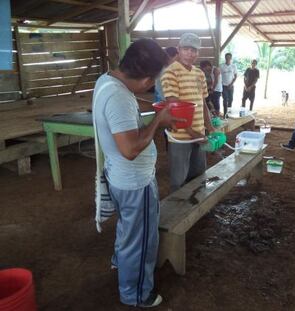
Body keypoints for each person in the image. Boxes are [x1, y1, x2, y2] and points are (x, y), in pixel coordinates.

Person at [93, 39, 180, 308]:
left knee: (128, 230)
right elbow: (130, 149)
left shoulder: (107, 80)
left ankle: (121, 263)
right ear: (144, 80)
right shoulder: (118, 97)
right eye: (153, 80)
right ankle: (137, 294)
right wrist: (159, 121)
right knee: (142, 242)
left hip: (119, 177)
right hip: (133, 183)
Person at [161, 33, 215, 191]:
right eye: (186, 49)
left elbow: (203, 102)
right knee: (179, 180)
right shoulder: (170, 73)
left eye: (194, 50)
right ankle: (180, 215)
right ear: (178, 50)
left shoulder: (199, 73)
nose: (190, 53)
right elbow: (174, 108)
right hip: (181, 137)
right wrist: (193, 134)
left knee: (199, 176)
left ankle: (197, 212)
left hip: (199, 133)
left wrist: (209, 127)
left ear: (198, 52)